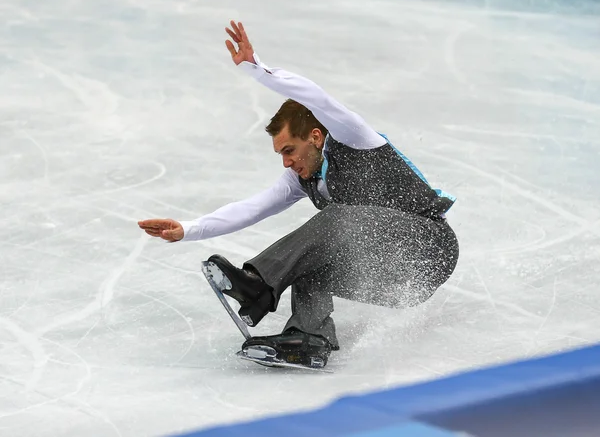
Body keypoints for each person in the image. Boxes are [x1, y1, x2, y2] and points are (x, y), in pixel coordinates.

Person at [138, 20, 459, 368]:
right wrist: (188, 228)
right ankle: (310, 339)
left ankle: (258, 288)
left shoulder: (357, 140)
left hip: (431, 250)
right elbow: (251, 208)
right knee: (311, 264)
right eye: (280, 154)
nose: (286, 162)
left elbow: (315, 96)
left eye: (289, 150)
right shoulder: (300, 179)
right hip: (396, 282)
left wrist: (256, 68)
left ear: (317, 137)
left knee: (337, 218)